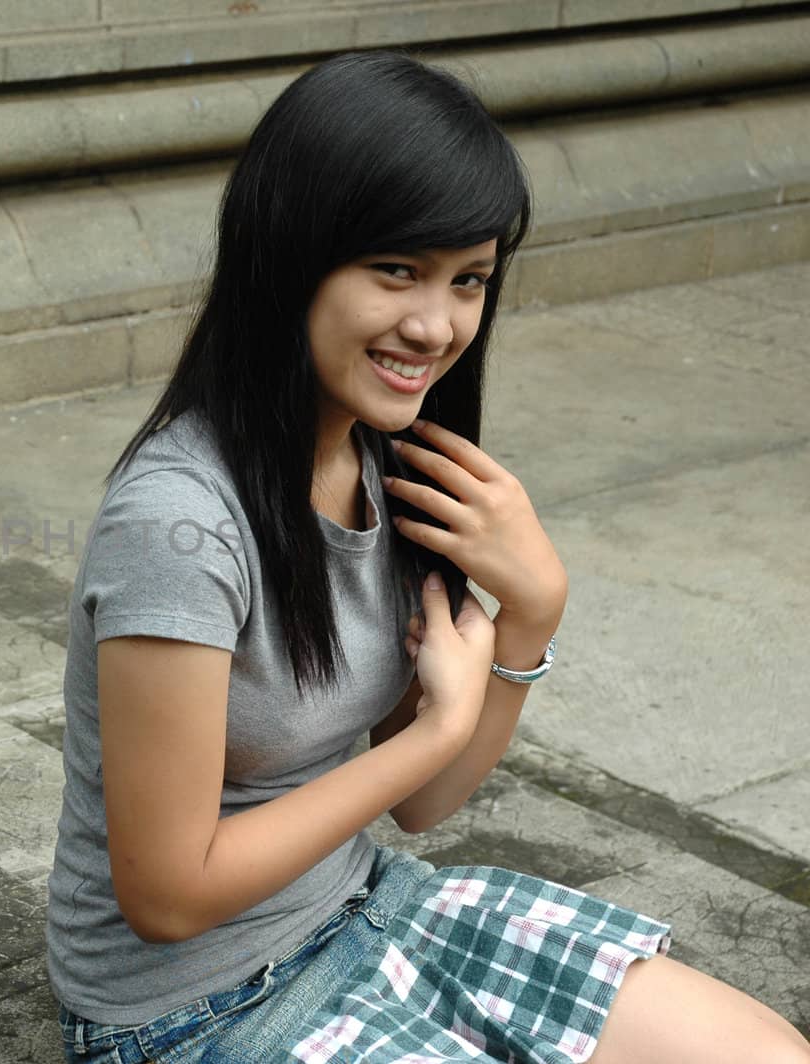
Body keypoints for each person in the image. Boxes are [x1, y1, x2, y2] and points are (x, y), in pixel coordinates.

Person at [45, 50, 810, 1063]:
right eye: (395, 269)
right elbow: (166, 891)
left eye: (468, 281)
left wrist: (531, 613)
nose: (433, 324)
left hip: (366, 912)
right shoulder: (177, 524)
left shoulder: (390, 463)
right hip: (192, 1011)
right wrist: (435, 724)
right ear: (290, 256)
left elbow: (424, 801)